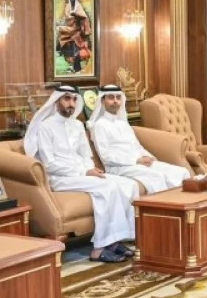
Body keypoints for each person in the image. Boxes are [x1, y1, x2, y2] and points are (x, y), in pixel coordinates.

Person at [25, 85, 137, 263]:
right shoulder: (46, 127)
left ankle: (116, 241)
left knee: (126, 184)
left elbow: (86, 155)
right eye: (67, 99)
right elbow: (49, 164)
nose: (71, 103)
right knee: (108, 187)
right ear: (57, 101)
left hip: (82, 174)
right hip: (61, 178)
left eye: (74, 99)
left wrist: (90, 169)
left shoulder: (77, 125)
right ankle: (99, 249)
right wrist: (84, 171)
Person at [88, 85, 189, 194]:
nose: (115, 101)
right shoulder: (99, 125)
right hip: (120, 167)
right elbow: (106, 157)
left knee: (181, 172)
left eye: (118, 97)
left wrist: (149, 157)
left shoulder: (123, 123)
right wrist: (136, 160)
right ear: (102, 101)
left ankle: (184, 203)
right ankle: (163, 204)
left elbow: (136, 145)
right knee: (156, 177)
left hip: (139, 162)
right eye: (111, 97)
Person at [56, 0, 93, 73]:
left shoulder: (79, 7)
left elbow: (84, 18)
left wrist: (77, 16)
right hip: (71, 31)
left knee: (76, 49)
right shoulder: (67, 7)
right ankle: (74, 66)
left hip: (78, 32)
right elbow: (67, 18)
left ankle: (76, 67)